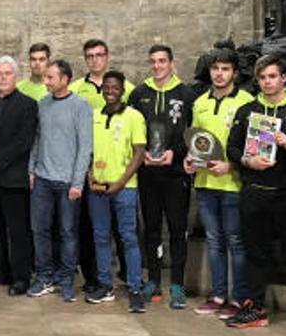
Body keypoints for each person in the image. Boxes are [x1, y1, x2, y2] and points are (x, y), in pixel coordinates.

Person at [225, 54, 286, 336]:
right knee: (255, 252)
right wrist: (248, 162)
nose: (267, 82)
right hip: (256, 192)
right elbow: (232, 148)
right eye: (262, 77)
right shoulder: (248, 111)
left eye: (272, 76)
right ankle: (255, 307)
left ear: (284, 78)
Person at [182, 45, 253, 317]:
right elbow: (198, 141)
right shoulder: (200, 103)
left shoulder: (246, 102)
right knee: (214, 241)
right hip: (205, 183)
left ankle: (238, 298)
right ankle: (218, 294)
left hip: (233, 184)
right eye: (215, 69)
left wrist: (232, 164)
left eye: (225, 69)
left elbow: (254, 146)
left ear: (234, 72)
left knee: (235, 241)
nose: (219, 74)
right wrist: (190, 159)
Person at [129, 44, 195, 309]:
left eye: (162, 61)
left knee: (178, 229)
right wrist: (141, 154)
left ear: (171, 63)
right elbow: (133, 130)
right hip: (148, 174)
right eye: (153, 62)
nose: (157, 66)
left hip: (175, 174)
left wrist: (176, 154)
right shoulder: (139, 93)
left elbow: (193, 134)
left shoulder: (186, 93)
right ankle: (153, 279)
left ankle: (177, 283)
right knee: (151, 227)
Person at [69, 39, 135, 293]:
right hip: (90, 170)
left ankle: (129, 276)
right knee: (91, 228)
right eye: (90, 56)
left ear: (107, 57)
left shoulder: (127, 87)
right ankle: (94, 277)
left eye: (99, 55)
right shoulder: (76, 89)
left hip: (120, 170)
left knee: (124, 230)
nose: (95, 60)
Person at [28, 59, 92, 302]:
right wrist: (32, 169)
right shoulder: (43, 104)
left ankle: (66, 280)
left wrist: (77, 183)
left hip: (67, 182)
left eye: (50, 78)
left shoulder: (80, 106)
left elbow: (85, 147)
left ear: (64, 80)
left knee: (67, 232)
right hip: (42, 179)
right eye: (45, 77)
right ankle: (44, 277)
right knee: (40, 230)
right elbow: (37, 139)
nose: (46, 81)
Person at [0, 55, 38, 295]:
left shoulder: (27, 104)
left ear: (15, 76)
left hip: (13, 177)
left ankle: (20, 277)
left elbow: (24, 141)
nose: (2, 78)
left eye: (7, 74)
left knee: (17, 230)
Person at [86, 70, 147, 313]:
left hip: (124, 188)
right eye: (107, 87)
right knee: (100, 237)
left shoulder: (134, 116)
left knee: (128, 237)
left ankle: (134, 287)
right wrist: (89, 177)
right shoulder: (93, 116)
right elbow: (88, 152)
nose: (110, 91)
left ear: (123, 90)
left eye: (115, 87)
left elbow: (139, 153)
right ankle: (104, 284)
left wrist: (121, 182)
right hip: (98, 188)